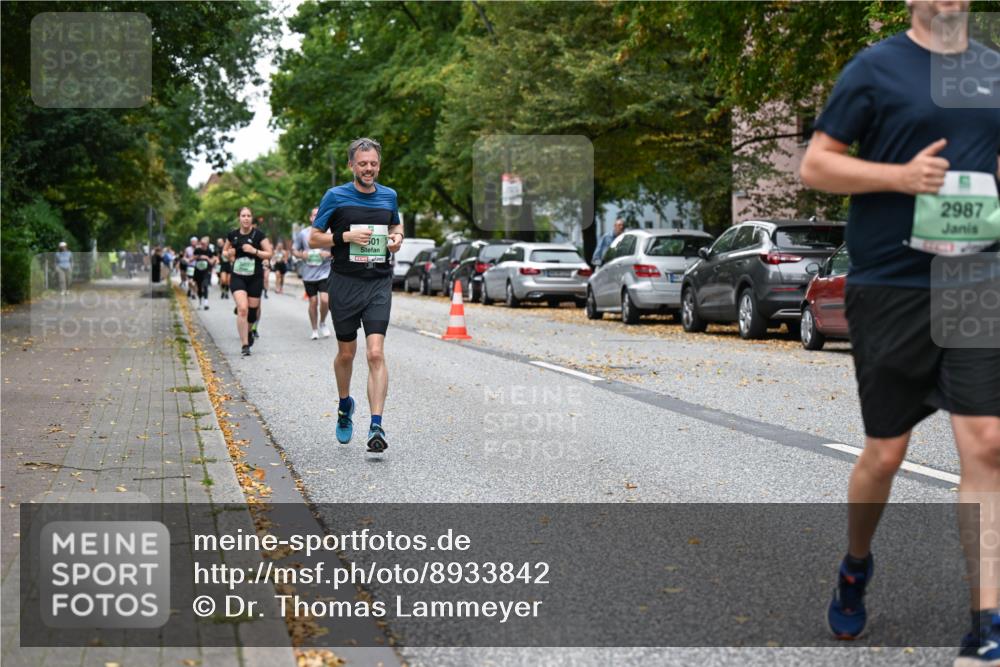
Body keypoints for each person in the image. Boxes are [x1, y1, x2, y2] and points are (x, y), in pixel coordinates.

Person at [799, 1, 1000, 660]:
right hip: (891, 284)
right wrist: (901, 177)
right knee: (885, 454)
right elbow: (816, 166)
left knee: (988, 443)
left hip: (974, 277)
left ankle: (987, 623)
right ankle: (855, 565)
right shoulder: (876, 68)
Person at [309, 137, 403, 453]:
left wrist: (397, 239)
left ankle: (376, 425)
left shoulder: (389, 196)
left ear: (379, 165)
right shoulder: (335, 196)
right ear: (351, 165)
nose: (368, 168)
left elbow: (396, 228)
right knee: (346, 354)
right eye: (362, 164)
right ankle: (344, 404)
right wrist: (345, 236)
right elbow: (314, 239)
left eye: (373, 163)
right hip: (345, 283)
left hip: (378, 283)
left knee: (375, 353)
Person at [224, 207, 273, 356]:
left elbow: (269, 254)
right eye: (243, 215)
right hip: (238, 276)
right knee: (243, 309)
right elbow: (224, 251)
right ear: (239, 218)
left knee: (252, 313)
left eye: (248, 216)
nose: (246, 218)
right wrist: (228, 253)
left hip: (255, 277)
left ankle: (250, 331)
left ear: (252, 218)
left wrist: (254, 251)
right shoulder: (233, 235)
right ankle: (245, 344)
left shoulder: (259, 235)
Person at [294, 207, 333, 340]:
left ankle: (322, 322)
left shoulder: (329, 233)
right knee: (313, 301)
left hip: (325, 272)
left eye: (319, 214)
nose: (317, 217)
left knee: (325, 300)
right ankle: (314, 329)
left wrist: (328, 254)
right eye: (314, 215)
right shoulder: (303, 234)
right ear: (311, 218)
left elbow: (338, 251)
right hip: (308, 274)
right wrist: (302, 255)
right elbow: (295, 250)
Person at [191, 236, 216, 310]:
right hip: (198, 271)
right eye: (201, 243)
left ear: (207, 244)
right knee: (199, 287)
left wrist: (206, 258)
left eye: (204, 244)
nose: (202, 245)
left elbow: (212, 262)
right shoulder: (197, 250)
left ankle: (206, 303)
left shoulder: (210, 251)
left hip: (206, 271)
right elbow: (192, 259)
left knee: (205, 285)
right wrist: (198, 257)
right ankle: (200, 302)